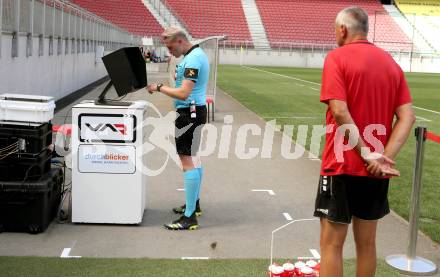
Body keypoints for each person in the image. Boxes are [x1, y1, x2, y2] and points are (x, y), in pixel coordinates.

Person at [314, 7, 415, 277]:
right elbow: (407, 117)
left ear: (343, 29)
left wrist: (368, 153)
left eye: (336, 29)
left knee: (331, 244)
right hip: (375, 172)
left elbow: (339, 110)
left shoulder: (337, 58)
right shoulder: (391, 64)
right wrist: (382, 157)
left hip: (342, 165)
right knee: (367, 244)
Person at [147, 27, 209, 231]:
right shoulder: (194, 55)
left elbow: (183, 93)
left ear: (181, 41)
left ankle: (189, 217)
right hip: (193, 112)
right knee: (193, 158)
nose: (169, 51)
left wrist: (158, 88)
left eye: (170, 46)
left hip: (189, 114)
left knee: (187, 161)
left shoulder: (193, 60)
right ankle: (194, 205)